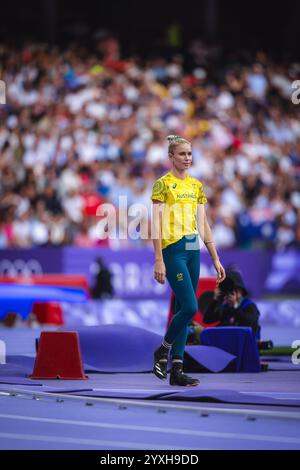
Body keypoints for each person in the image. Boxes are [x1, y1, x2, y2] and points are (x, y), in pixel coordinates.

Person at [151, 135, 226, 386]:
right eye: (182, 154)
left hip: (194, 250)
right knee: (191, 308)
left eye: (190, 154)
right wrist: (158, 260)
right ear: (171, 156)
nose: (187, 158)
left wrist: (215, 258)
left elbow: (203, 223)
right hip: (173, 250)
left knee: (183, 310)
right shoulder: (162, 184)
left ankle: (177, 370)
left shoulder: (196, 186)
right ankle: (162, 350)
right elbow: (156, 224)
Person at [203, 268, 261, 339]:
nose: (229, 294)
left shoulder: (249, 306)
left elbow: (247, 323)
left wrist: (235, 306)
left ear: (240, 291)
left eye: (232, 290)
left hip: (246, 343)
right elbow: (207, 320)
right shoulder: (226, 307)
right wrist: (215, 300)